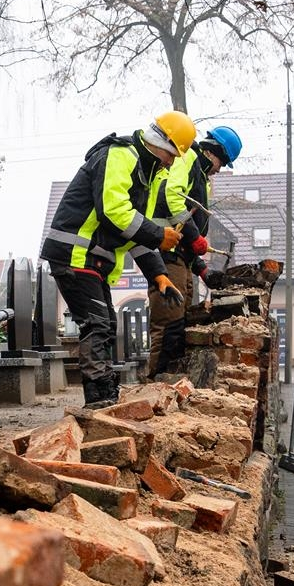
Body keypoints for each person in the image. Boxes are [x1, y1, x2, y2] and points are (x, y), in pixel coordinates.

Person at [42, 110, 197, 407]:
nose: (173, 161)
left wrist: (158, 273)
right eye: (174, 154)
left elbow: (134, 230)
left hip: (91, 259)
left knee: (105, 324)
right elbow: (114, 212)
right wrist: (159, 236)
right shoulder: (120, 155)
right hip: (76, 254)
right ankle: (98, 400)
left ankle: (103, 395)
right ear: (161, 142)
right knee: (97, 324)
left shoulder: (148, 173)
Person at [150, 125, 243, 373]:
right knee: (169, 322)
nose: (220, 169)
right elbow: (172, 197)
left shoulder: (202, 179)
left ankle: (169, 383)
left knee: (180, 321)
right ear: (214, 152)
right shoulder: (188, 157)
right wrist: (194, 237)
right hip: (166, 253)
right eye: (222, 163)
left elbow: (188, 225)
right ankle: (157, 384)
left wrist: (201, 269)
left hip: (181, 258)